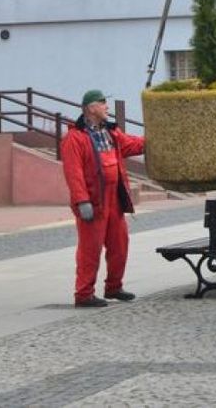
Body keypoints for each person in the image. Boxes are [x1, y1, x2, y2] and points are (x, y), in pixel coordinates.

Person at [61, 89, 146, 308]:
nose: (107, 107)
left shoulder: (110, 132)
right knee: (90, 249)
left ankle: (114, 287)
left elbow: (131, 145)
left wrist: (152, 139)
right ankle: (83, 294)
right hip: (94, 202)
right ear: (91, 108)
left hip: (114, 200)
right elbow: (74, 173)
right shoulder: (74, 138)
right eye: (102, 103)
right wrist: (82, 201)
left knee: (120, 244)